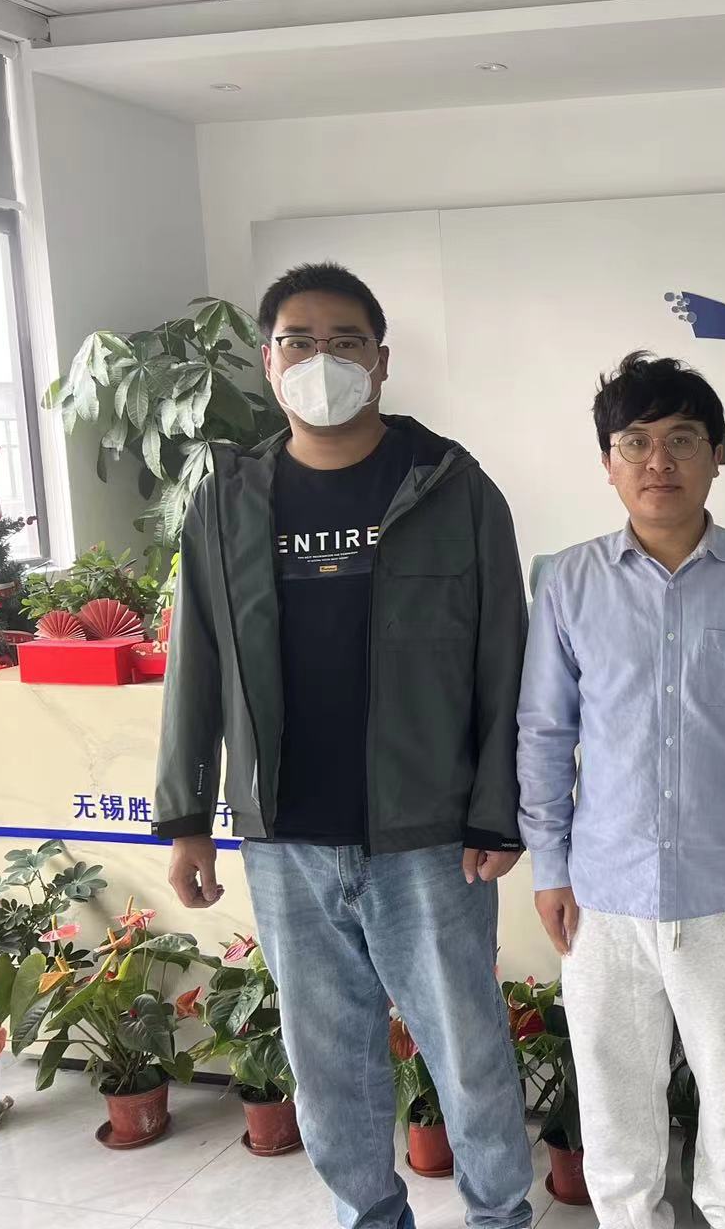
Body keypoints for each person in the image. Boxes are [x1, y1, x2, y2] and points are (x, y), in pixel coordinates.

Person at [154, 262, 534, 1229]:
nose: (321, 360)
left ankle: (500, 1219)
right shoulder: (228, 498)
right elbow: (196, 662)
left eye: (344, 342)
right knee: (329, 1069)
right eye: (299, 341)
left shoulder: (451, 487)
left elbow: (505, 659)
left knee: (469, 1056)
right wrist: (187, 817)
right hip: (288, 836)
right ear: (268, 361)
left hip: (429, 836)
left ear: (382, 360)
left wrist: (498, 811)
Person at [516, 351, 725, 1229]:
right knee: (615, 1114)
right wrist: (549, 864)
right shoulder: (569, 583)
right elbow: (544, 734)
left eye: (682, 439)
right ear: (608, 462)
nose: (657, 461)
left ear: (716, 456)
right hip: (603, 895)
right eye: (635, 441)